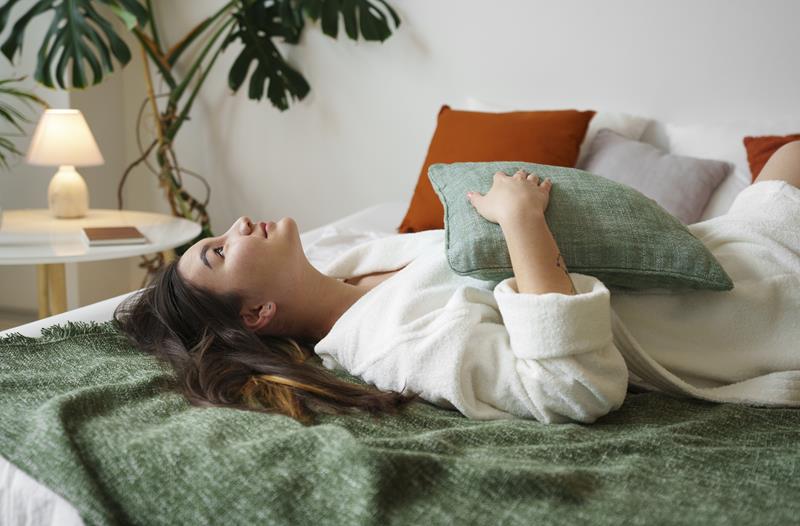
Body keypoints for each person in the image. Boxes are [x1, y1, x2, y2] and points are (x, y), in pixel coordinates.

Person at [115, 141, 800, 425]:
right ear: (259, 311)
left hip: (734, 239)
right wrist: (523, 222)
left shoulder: (354, 260)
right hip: (753, 303)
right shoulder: (391, 343)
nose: (235, 224)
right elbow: (573, 388)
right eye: (218, 252)